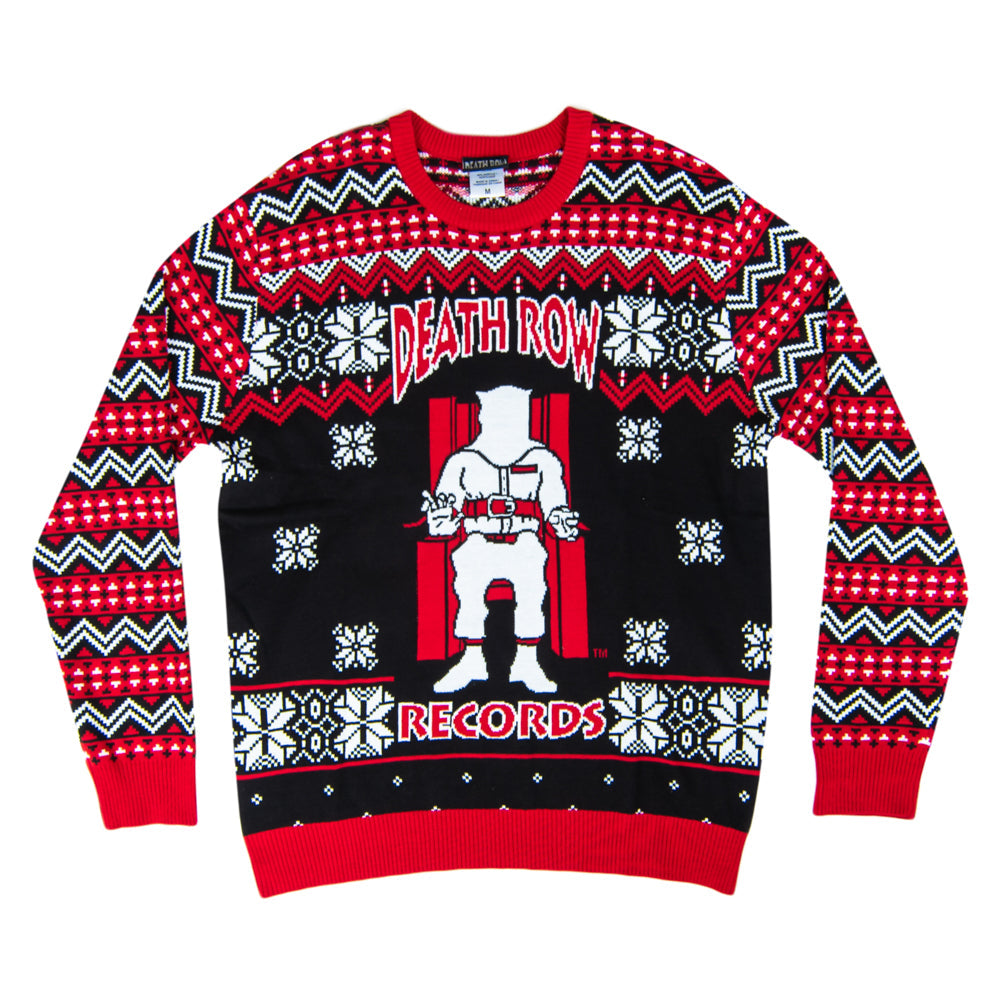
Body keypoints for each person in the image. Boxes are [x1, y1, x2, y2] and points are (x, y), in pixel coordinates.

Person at [422, 385, 580, 693]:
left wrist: (562, 522)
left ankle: (527, 661)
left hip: (524, 540)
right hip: (477, 538)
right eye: (498, 414)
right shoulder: (461, 461)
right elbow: (444, 516)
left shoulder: (543, 459)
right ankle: (472, 659)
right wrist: (440, 519)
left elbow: (555, 505)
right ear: (483, 416)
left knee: (533, 588)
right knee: (467, 585)